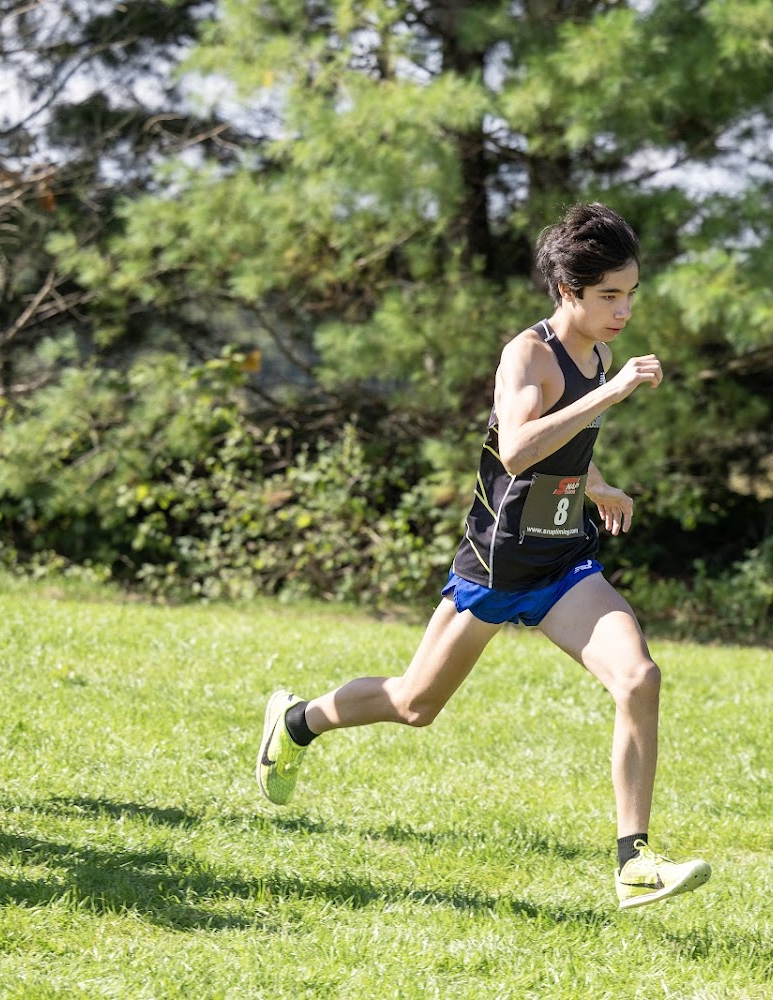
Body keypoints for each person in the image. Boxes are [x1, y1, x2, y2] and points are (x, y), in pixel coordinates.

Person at [255, 203, 711, 910]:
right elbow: (518, 446)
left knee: (639, 677)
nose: (623, 311)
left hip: (562, 563)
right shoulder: (528, 355)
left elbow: (565, 446)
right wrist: (612, 394)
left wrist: (596, 485)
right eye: (608, 296)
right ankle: (296, 722)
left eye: (630, 294)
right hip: (498, 565)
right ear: (567, 291)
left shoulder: (598, 353)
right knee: (414, 704)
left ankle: (634, 863)